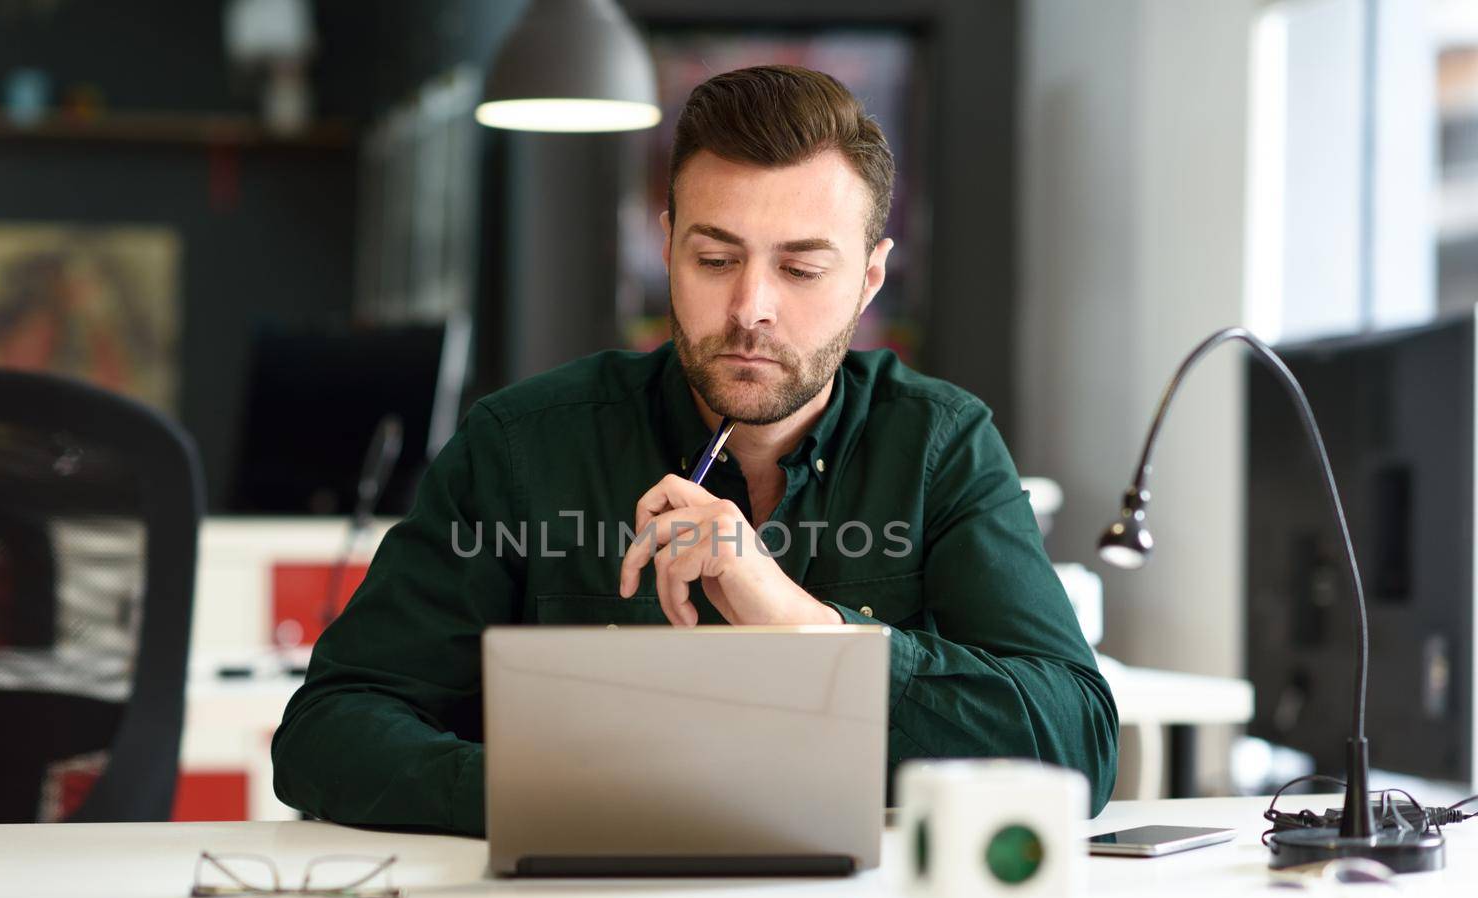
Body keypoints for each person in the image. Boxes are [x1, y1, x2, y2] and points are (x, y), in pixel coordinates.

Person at [272, 65, 1118, 832]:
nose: (750, 306)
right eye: (715, 258)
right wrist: (558, 795)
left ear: (869, 277)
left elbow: (1076, 738)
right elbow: (329, 729)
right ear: (670, 245)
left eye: (801, 270)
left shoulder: (939, 443)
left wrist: (801, 624)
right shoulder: (522, 446)